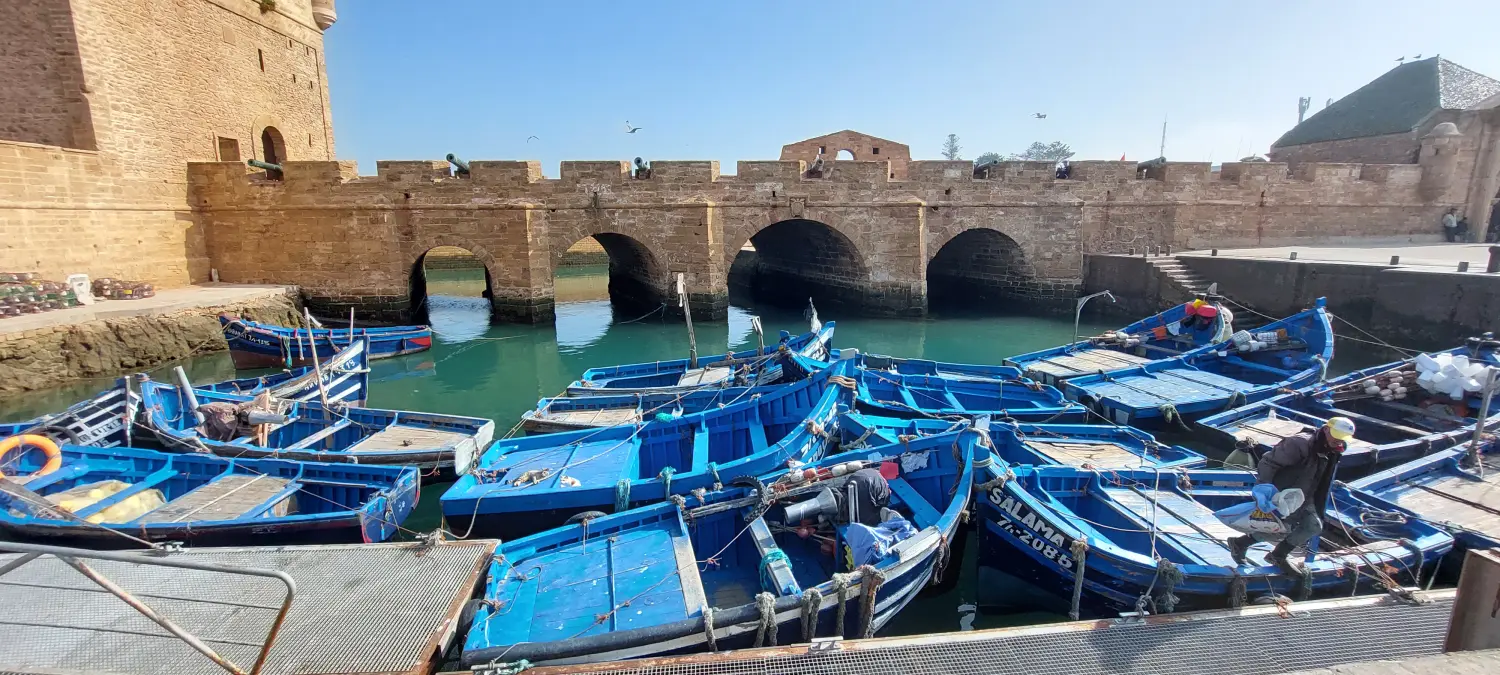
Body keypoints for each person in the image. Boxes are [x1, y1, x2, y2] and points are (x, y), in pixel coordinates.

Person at [1226, 416, 1356, 577]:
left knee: (1314, 525)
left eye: (1342, 438)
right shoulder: (1299, 443)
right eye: (1336, 436)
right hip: (1284, 493)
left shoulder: (1334, 450)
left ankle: (1277, 555)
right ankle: (1240, 543)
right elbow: (1268, 462)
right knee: (1280, 529)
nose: (1339, 441)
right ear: (1326, 429)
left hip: (1306, 496)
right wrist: (1264, 488)